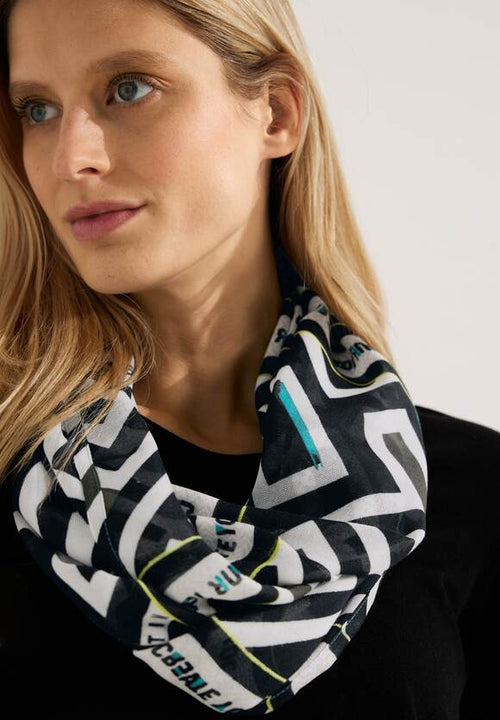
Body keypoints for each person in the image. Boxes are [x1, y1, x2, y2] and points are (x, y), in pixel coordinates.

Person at [0, 1, 498, 717]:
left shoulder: (472, 492)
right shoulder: (19, 472)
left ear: (276, 113)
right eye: (38, 109)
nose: (70, 156)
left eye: (129, 89)